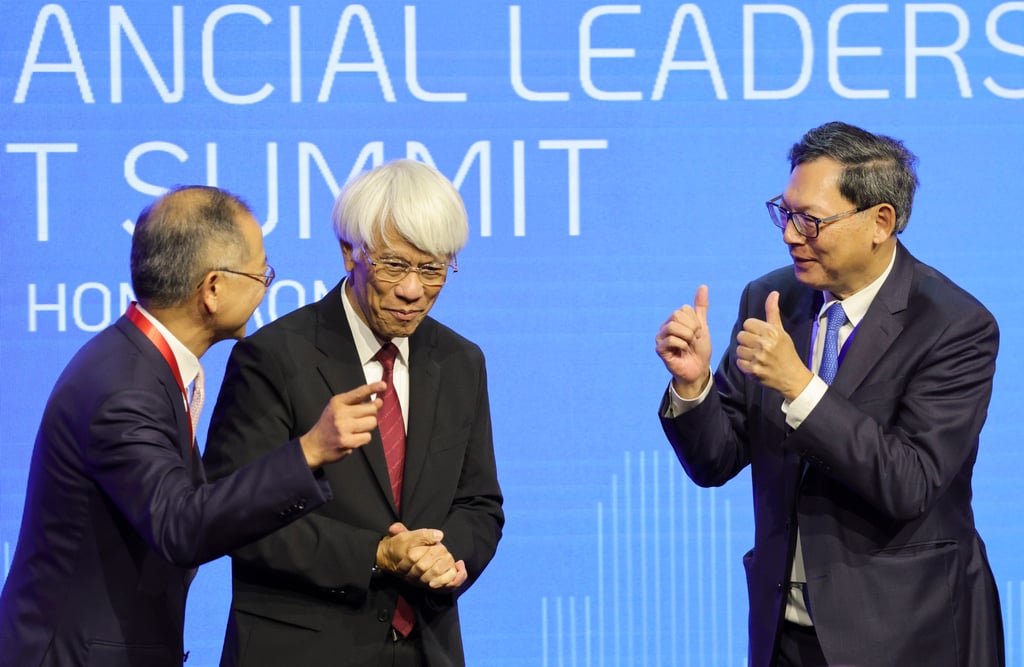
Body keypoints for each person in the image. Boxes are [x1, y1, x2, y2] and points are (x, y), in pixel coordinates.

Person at [655, 122, 1003, 667]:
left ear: (880, 222)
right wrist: (694, 385)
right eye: (785, 213)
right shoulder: (772, 298)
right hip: (784, 634)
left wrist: (800, 386)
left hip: (905, 634)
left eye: (810, 220)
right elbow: (716, 460)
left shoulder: (954, 325)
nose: (791, 235)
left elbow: (910, 482)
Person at [0, 186, 386, 667]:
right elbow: (180, 526)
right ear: (213, 288)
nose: (266, 285)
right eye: (260, 273)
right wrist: (307, 452)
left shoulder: (141, 364)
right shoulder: (124, 388)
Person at [202, 158, 504, 667]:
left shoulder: (459, 362)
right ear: (349, 252)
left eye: (432, 269)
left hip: (424, 650)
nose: (413, 290)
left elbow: (479, 504)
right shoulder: (274, 358)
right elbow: (232, 516)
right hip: (301, 650)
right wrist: (375, 555)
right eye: (394, 265)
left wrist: (444, 555)